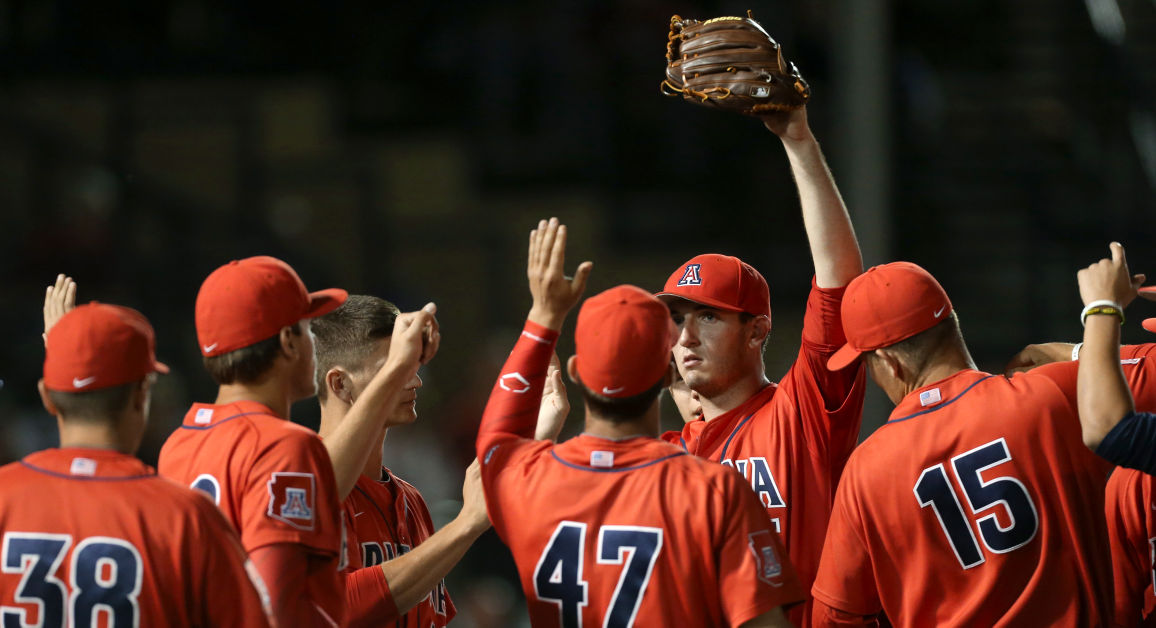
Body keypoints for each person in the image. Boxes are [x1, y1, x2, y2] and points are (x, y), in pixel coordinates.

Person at [477, 218, 803, 627]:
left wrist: (542, 320)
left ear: (577, 371)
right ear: (668, 376)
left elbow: (495, 439)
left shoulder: (528, 479)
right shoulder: (711, 489)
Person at [810, 261, 1115, 626]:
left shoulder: (865, 470)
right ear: (952, 325)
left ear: (890, 364)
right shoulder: (1048, 395)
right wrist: (1081, 354)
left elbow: (835, 616)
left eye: (867, 365)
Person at [657, 106, 865, 626]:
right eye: (677, 317)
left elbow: (839, 280)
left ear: (757, 331)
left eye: (708, 316)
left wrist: (799, 141)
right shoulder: (662, 455)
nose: (686, 336)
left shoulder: (800, 412)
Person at [158, 255, 439, 627]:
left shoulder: (179, 443)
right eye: (307, 329)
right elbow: (278, 602)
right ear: (288, 342)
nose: (314, 342)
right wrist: (397, 367)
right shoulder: (281, 443)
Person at [0, 300, 273, 626]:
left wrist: (66, 357)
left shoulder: (5, 496)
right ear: (143, 394)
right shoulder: (184, 516)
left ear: (47, 397)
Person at [311, 295, 497, 627]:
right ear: (340, 383)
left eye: (413, 366)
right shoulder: (300, 482)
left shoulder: (410, 498)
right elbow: (335, 608)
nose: (414, 381)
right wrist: (464, 525)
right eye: (394, 367)